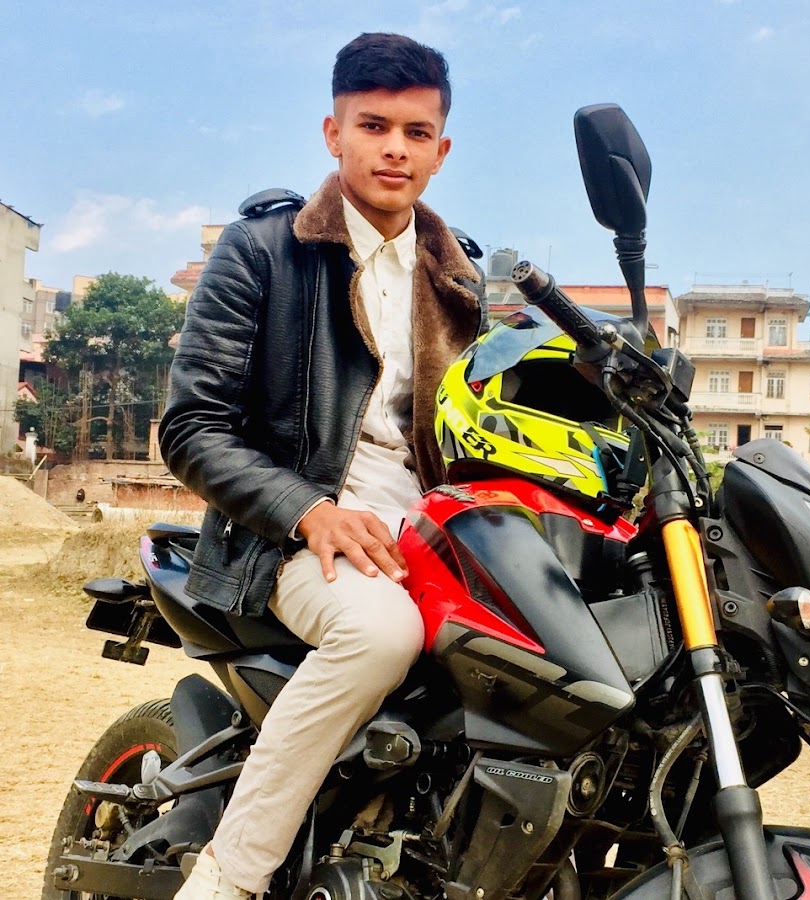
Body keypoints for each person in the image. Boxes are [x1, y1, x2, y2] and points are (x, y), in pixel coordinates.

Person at [160, 31, 486, 900]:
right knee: (382, 633)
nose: (394, 149)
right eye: (373, 126)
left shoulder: (463, 279)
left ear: (442, 151)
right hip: (287, 537)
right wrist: (310, 511)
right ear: (333, 133)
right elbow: (192, 427)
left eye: (416, 133)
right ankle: (229, 876)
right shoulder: (262, 249)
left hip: (431, 533)